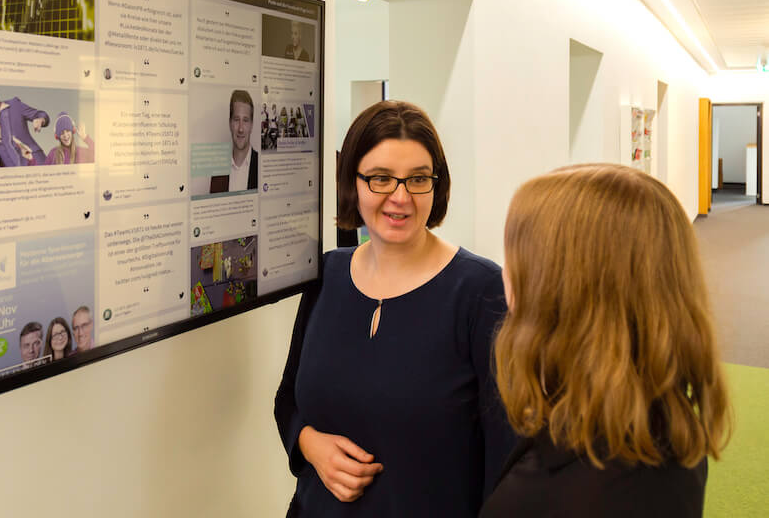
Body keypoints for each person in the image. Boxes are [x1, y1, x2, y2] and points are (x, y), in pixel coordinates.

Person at [275, 100, 516, 516]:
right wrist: (309, 443)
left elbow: (506, 456)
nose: (400, 198)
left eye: (418, 179)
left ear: (436, 186)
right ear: (353, 182)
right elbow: (287, 401)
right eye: (381, 178)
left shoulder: (481, 292)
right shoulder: (326, 274)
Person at [480, 164, 731, 518]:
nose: (504, 273)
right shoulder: (666, 422)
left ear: (561, 291)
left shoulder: (546, 494)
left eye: (516, 260)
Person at [0, 84, 50, 168]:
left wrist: (40, 120)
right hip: (12, 178)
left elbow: (41, 114)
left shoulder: (14, 105)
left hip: (37, 164)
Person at [209, 89, 259, 193]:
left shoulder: (262, 166)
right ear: (230, 123)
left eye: (245, 120)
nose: (240, 129)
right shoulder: (218, 169)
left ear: (251, 125)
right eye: (236, 119)